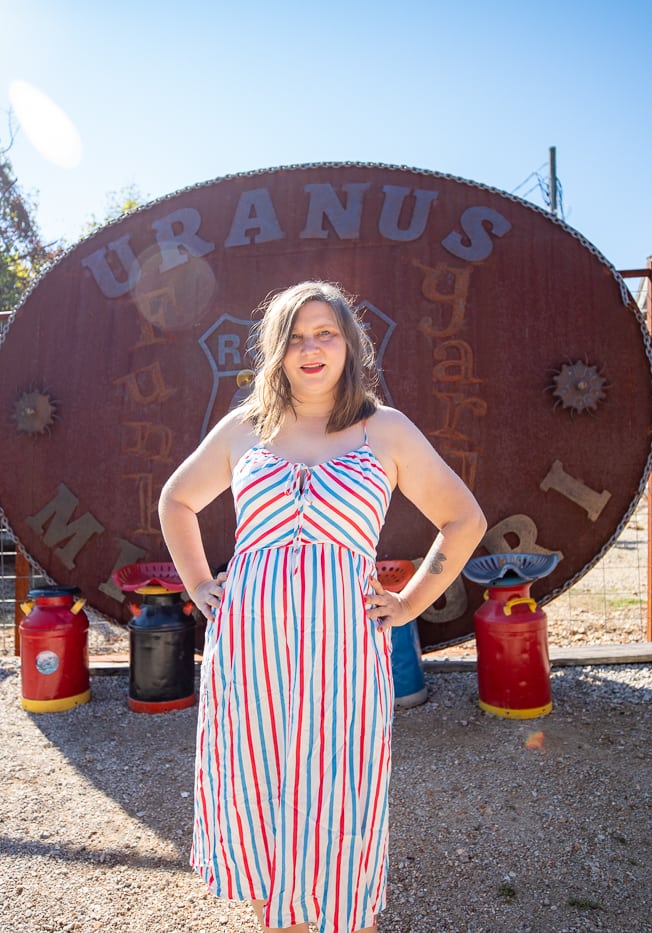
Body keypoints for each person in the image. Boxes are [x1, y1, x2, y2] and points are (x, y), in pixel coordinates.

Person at [158, 280, 486, 933]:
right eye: (296, 336)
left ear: (350, 344)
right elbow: (176, 500)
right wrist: (200, 584)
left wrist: (411, 599)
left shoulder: (384, 430)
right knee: (255, 785)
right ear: (276, 350)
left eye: (325, 333)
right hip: (249, 653)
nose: (311, 349)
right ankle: (276, 922)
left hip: (344, 651)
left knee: (343, 790)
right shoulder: (245, 427)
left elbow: (462, 519)